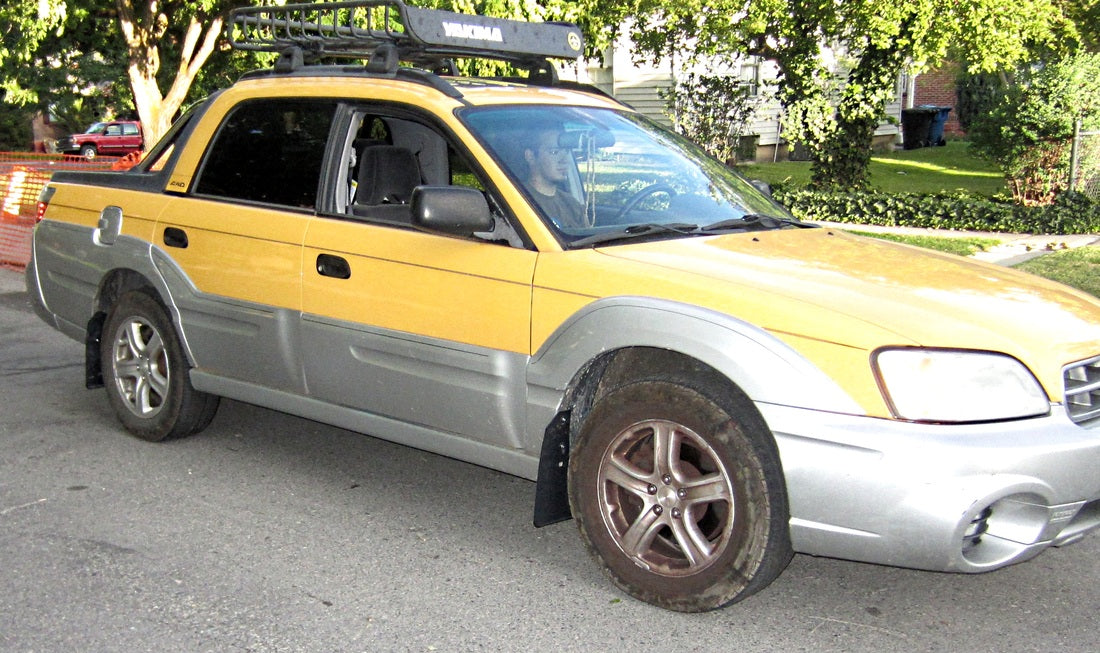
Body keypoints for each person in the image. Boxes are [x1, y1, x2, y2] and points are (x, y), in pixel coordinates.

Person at [523, 127, 586, 229]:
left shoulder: (572, 204)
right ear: (530, 156)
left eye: (566, 151)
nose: (565, 160)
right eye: (554, 152)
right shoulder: (519, 201)